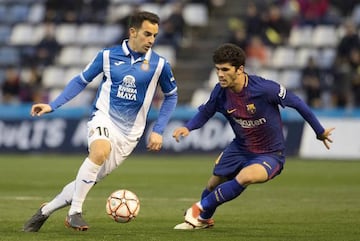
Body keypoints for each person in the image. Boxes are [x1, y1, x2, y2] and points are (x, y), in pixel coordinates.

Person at [23, 11, 178, 232]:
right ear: (132, 32)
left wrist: (158, 129)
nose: (151, 40)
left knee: (86, 182)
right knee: (99, 150)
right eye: (147, 34)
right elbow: (81, 80)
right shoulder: (107, 56)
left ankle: (44, 212)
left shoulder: (160, 64)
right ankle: (75, 212)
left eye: (154, 35)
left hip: (130, 134)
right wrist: (53, 105)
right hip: (103, 117)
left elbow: (171, 95)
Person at [172, 43, 334, 230]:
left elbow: (298, 103)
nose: (220, 74)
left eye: (225, 70)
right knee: (213, 183)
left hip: (270, 154)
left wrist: (319, 131)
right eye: (217, 69)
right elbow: (206, 112)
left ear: (240, 69)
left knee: (245, 176)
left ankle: (198, 208)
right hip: (240, 148)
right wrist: (188, 127)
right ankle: (204, 220)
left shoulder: (265, 89)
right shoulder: (220, 91)